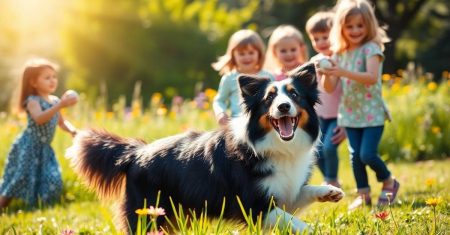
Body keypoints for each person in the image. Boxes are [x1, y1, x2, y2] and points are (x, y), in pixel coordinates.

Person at [319, 0, 399, 210]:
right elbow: (329, 87)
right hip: (350, 114)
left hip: (372, 113)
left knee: (367, 154)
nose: (355, 30)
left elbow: (371, 77)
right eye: (350, 26)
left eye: (360, 25)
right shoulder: (339, 53)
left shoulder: (371, 49)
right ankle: (363, 194)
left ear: (369, 26)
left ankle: (389, 181)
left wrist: (341, 72)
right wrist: (325, 73)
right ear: (341, 28)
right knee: (355, 158)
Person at [0, 58, 78, 209]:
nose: (52, 80)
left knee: (52, 178)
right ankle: (2, 205)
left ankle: (42, 207)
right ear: (33, 83)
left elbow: (61, 122)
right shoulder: (32, 101)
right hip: (28, 147)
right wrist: (61, 105)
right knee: (19, 179)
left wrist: (72, 130)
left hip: (45, 149)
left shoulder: (55, 101)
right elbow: (39, 119)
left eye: (54, 77)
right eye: (47, 77)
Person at [306, 11, 346, 188]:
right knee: (316, 151)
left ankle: (331, 179)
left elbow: (348, 91)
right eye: (316, 39)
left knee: (329, 147)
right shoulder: (314, 62)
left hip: (339, 115)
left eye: (326, 37)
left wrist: (345, 121)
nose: (321, 42)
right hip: (320, 115)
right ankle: (330, 179)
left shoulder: (341, 60)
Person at [212, 29, 274, 126]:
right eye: (241, 54)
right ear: (233, 55)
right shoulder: (229, 78)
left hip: (264, 125)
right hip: (238, 126)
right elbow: (219, 100)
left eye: (251, 53)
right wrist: (220, 113)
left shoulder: (268, 76)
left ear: (259, 54)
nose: (247, 57)